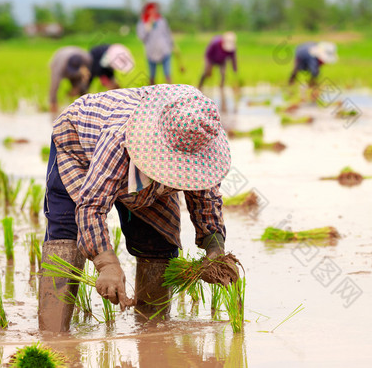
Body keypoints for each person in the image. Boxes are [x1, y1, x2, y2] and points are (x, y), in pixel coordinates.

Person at [38, 84, 237, 332]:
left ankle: (152, 333)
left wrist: (215, 249)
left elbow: (206, 196)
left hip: (143, 165)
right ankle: (53, 336)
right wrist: (106, 263)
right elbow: (92, 205)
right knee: (67, 234)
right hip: (80, 147)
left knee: (159, 242)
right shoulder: (119, 137)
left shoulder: (199, 138)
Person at [136, 2, 176, 85]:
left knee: (167, 74)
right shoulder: (142, 22)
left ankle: (171, 94)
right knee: (152, 76)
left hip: (164, 50)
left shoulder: (161, 20)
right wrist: (148, 25)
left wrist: (173, 45)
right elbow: (142, 37)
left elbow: (167, 34)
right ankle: (151, 95)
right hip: (151, 51)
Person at [198, 32, 238, 112]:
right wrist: (209, 67)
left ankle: (221, 88)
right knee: (206, 73)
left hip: (222, 61)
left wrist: (234, 69)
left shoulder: (232, 49)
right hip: (211, 59)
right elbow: (207, 54)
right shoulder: (215, 43)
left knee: (223, 74)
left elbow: (233, 59)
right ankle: (200, 86)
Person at [48, 46, 92, 112]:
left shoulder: (87, 59)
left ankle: (84, 109)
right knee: (54, 98)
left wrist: (78, 88)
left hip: (77, 55)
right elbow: (54, 86)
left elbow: (86, 78)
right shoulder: (59, 67)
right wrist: (53, 102)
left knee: (83, 92)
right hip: (59, 58)